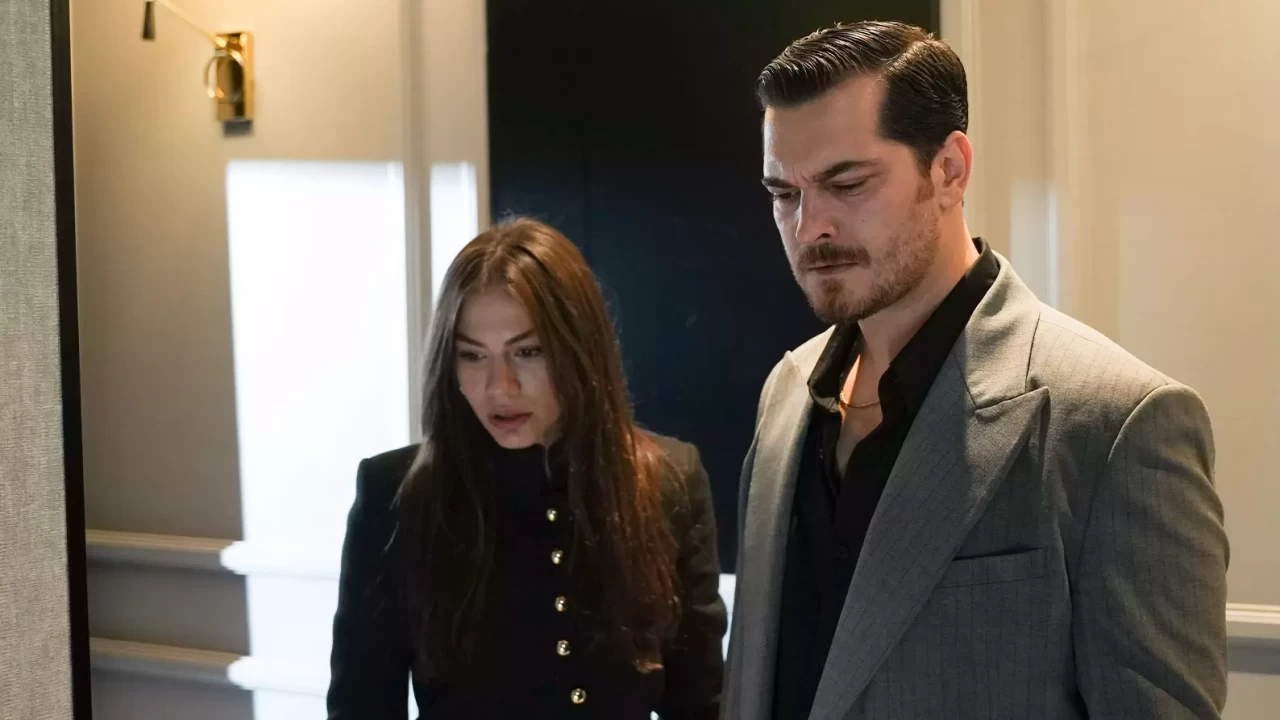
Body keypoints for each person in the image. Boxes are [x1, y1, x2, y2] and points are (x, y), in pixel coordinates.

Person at [723, 21, 1229, 720]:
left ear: (950, 170)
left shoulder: (1116, 425)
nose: (811, 228)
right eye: (785, 194)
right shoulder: (786, 394)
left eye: (848, 183)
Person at [327, 218, 726, 719]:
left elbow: (700, 704)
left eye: (528, 352)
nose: (500, 386)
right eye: (472, 355)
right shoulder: (396, 495)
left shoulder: (669, 479)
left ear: (579, 350)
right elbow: (361, 706)